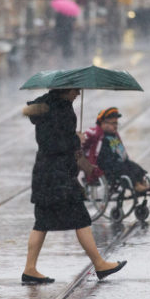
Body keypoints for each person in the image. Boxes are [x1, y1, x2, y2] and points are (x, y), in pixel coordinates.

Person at [21, 88, 127, 284]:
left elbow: (52, 141)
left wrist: (74, 144)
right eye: (75, 89)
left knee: (42, 223)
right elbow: (52, 144)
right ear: (65, 89)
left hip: (47, 175)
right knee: (81, 218)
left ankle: (30, 269)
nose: (78, 92)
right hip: (58, 177)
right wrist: (75, 139)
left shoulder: (49, 106)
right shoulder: (59, 110)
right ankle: (100, 264)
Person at [82, 107, 150, 196]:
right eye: (113, 123)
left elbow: (121, 150)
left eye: (116, 123)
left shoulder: (114, 135)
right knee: (124, 169)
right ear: (103, 123)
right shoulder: (94, 133)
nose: (115, 126)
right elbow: (82, 142)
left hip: (117, 162)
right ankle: (136, 185)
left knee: (133, 166)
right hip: (104, 165)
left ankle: (142, 183)